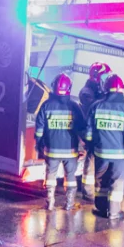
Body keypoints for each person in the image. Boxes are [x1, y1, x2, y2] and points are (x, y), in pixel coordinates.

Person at [84, 74, 124, 220]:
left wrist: (90, 146)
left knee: (101, 182)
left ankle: (101, 208)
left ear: (105, 89)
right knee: (116, 182)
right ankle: (114, 212)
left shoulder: (96, 106)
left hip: (101, 153)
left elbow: (88, 133)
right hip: (119, 155)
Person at [35, 73, 85, 211]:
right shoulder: (74, 106)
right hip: (70, 151)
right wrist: (84, 145)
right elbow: (82, 128)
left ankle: (50, 202)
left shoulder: (46, 106)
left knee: (50, 176)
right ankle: (69, 204)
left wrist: (39, 144)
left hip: (51, 150)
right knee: (70, 176)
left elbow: (39, 128)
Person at [78, 62, 110, 201]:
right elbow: (94, 106)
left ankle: (97, 190)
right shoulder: (86, 92)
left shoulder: (99, 91)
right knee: (91, 160)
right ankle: (88, 192)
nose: (106, 80)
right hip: (89, 131)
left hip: (98, 131)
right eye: (104, 77)